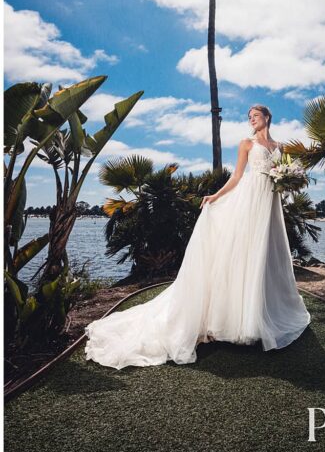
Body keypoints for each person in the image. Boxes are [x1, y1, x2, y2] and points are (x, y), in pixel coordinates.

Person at [85, 105, 311, 369]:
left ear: (267, 118)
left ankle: (263, 313)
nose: (252, 120)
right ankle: (237, 319)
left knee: (266, 254)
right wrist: (215, 196)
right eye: (249, 117)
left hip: (269, 203)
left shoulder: (279, 146)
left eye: (256, 116)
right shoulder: (246, 144)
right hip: (249, 201)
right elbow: (237, 177)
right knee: (247, 251)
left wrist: (287, 181)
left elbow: (281, 177)